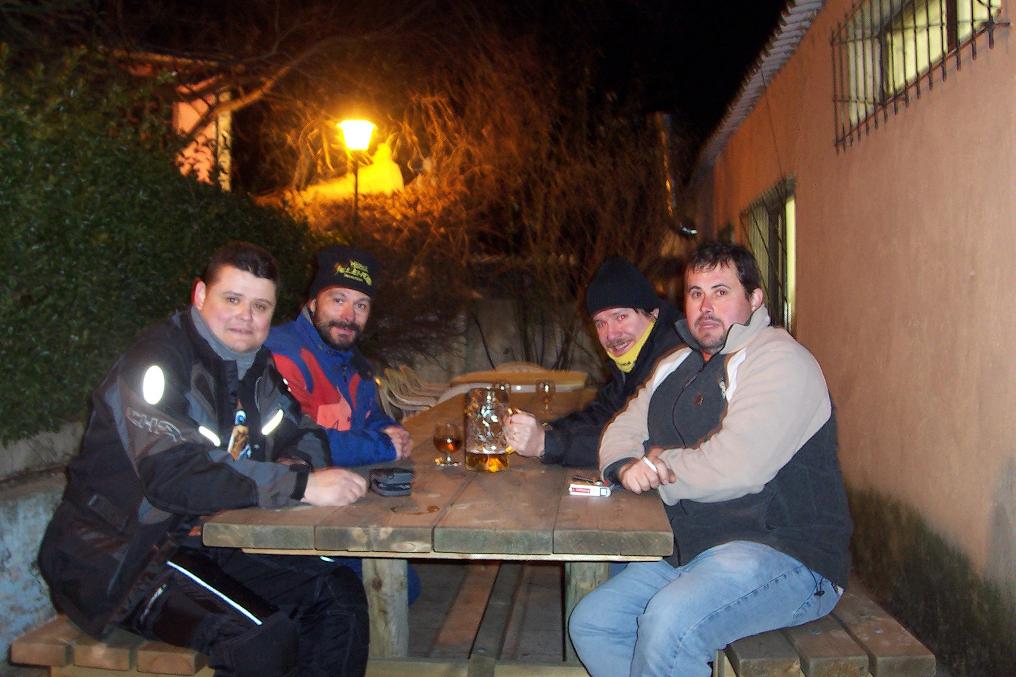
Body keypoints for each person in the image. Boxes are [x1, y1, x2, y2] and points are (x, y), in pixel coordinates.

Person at [38, 242, 370, 677]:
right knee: (261, 641)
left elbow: (303, 431)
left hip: (207, 540)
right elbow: (174, 475)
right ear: (200, 295)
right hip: (125, 558)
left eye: (260, 306)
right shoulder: (156, 362)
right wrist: (300, 486)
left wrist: (292, 468)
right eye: (232, 299)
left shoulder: (258, 366)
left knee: (338, 594)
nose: (245, 316)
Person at [568, 242, 853, 677]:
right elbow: (621, 428)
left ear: (754, 299)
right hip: (695, 547)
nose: (705, 306)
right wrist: (626, 465)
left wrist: (657, 467)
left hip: (786, 554)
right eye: (695, 293)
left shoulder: (780, 360)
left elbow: (736, 467)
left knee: (668, 627)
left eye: (721, 292)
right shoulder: (677, 363)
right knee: (594, 623)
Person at [505, 256, 681, 467]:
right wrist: (544, 430)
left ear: (653, 313)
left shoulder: (677, 360)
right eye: (600, 323)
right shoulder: (632, 363)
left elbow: (639, 441)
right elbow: (602, 415)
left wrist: (546, 444)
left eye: (620, 317)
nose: (611, 334)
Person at [266, 245, 411, 467]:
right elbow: (292, 439)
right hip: (298, 485)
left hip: (345, 481)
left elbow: (368, 415)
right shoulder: (284, 354)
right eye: (338, 300)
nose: (349, 316)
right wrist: (383, 446)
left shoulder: (354, 362)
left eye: (360, 305)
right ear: (313, 303)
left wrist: (392, 431)